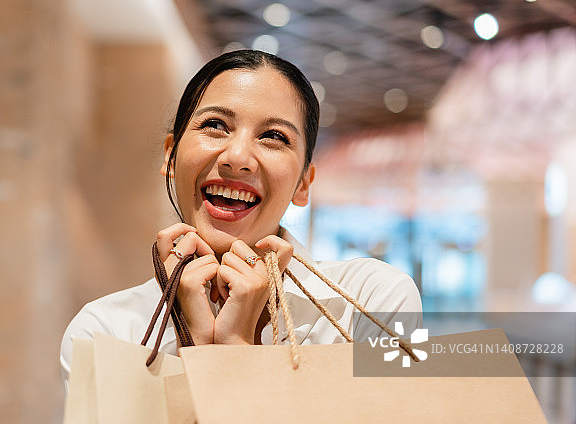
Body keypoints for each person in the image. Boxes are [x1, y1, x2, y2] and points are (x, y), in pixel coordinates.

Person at [60, 50, 421, 386]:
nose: (237, 157)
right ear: (171, 158)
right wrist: (197, 341)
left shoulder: (374, 299)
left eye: (273, 136)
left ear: (302, 184)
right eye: (215, 125)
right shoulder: (103, 332)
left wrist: (235, 346)